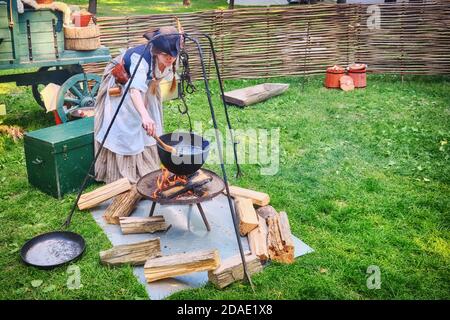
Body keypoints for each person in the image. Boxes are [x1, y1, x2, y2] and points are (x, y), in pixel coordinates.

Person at [94, 26, 181, 184]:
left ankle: (146, 165)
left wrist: (147, 111)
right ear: (156, 51)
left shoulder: (171, 58)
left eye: (173, 55)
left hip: (147, 87)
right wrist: (144, 115)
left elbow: (154, 78)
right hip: (124, 84)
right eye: (166, 55)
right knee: (128, 125)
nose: (170, 59)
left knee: (150, 123)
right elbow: (134, 90)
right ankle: (123, 174)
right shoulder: (139, 60)